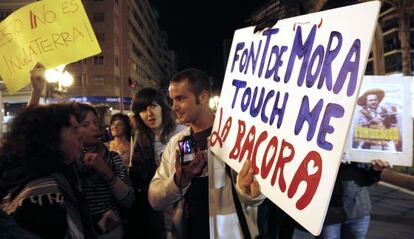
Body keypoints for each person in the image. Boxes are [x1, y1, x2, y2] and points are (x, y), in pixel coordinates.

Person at [148, 68, 264, 239]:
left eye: (180, 98)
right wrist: (179, 181)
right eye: (172, 100)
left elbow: (256, 196)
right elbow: (154, 199)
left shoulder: (237, 135)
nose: (174, 107)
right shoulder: (177, 143)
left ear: (203, 97)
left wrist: (248, 190)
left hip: (234, 233)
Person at [0, 104, 95, 239]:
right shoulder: (44, 190)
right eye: (74, 130)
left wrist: (97, 226)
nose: (81, 136)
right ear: (50, 138)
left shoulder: (34, 175)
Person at [124, 87, 186, 239]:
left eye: (153, 106)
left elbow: (190, 168)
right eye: (143, 109)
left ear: (163, 107)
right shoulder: (139, 138)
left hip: (181, 205)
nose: (149, 113)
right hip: (153, 208)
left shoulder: (181, 133)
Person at [73, 103, 134, 239]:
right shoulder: (66, 160)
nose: (94, 127)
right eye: (85, 124)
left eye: (95, 122)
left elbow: (128, 200)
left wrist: (106, 171)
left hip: (110, 232)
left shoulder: (112, 157)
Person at [316, 155, 389, 239]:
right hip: (327, 215)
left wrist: (376, 170)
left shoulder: (358, 149)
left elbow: (368, 180)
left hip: (358, 212)